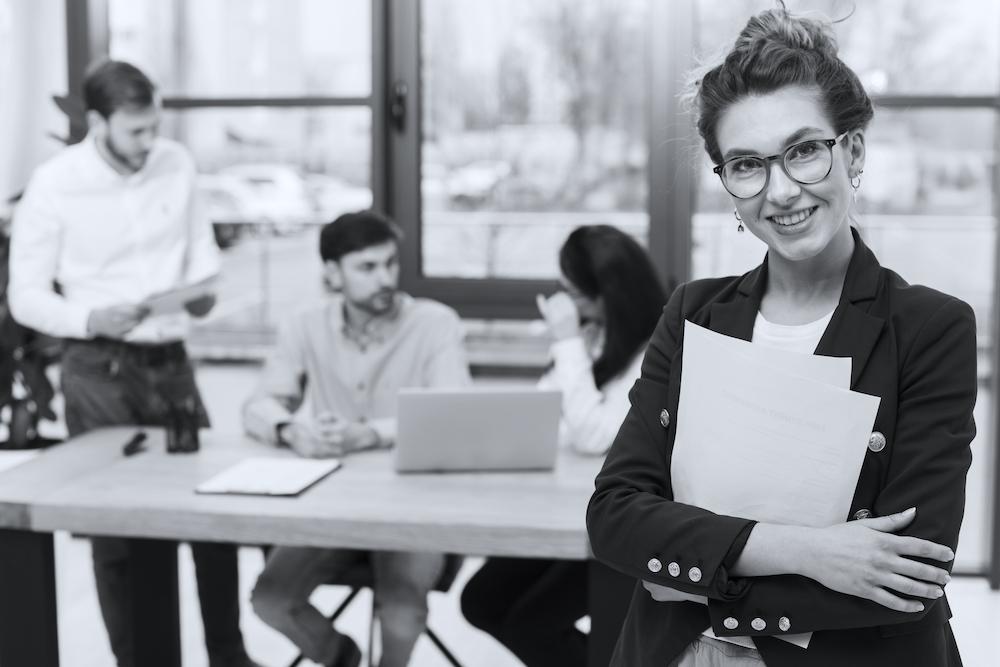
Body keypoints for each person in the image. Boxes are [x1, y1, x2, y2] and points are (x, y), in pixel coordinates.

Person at [587, 7, 975, 667]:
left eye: (803, 151)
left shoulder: (928, 328)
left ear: (851, 151)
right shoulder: (693, 315)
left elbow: (911, 571)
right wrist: (810, 549)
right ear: (728, 185)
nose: (781, 190)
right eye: (747, 164)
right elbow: (617, 517)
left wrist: (692, 569)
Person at [7, 60, 260, 667]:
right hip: (98, 365)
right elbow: (25, 296)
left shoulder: (176, 162)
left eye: (154, 127)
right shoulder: (55, 183)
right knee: (116, 531)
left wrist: (200, 293)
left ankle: (229, 655)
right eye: (135, 131)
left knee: (211, 515)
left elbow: (202, 258)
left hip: (170, 358)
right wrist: (90, 319)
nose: (150, 143)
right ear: (97, 122)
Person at [244, 210, 471, 667]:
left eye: (390, 263)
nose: (385, 277)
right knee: (270, 598)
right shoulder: (304, 324)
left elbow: (456, 416)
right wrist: (292, 430)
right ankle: (342, 659)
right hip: (334, 503)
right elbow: (259, 404)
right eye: (367, 268)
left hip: (416, 506)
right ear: (332, 273)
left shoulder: (436, 324)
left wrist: (368, 434)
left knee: (403, 611)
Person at [461, 225, 667, 666]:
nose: (566, 304)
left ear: (609, 292)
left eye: (575, 292)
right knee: (479, 601)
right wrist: (571, 347)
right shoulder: (596, 335)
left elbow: (593, 438)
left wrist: (567, 340)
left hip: (620, 522)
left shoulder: (655, 348)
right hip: (568, 509)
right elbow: (546, 419)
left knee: (530, 625)